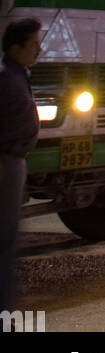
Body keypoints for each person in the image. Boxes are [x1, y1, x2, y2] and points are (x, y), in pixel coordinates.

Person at [0, 18, 41, 313]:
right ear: (16, 48)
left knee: (8, 240)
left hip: (14, 162)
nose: (39, 50)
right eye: (34, 45)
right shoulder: (5, 79)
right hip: (5, 164)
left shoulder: (18, 74)